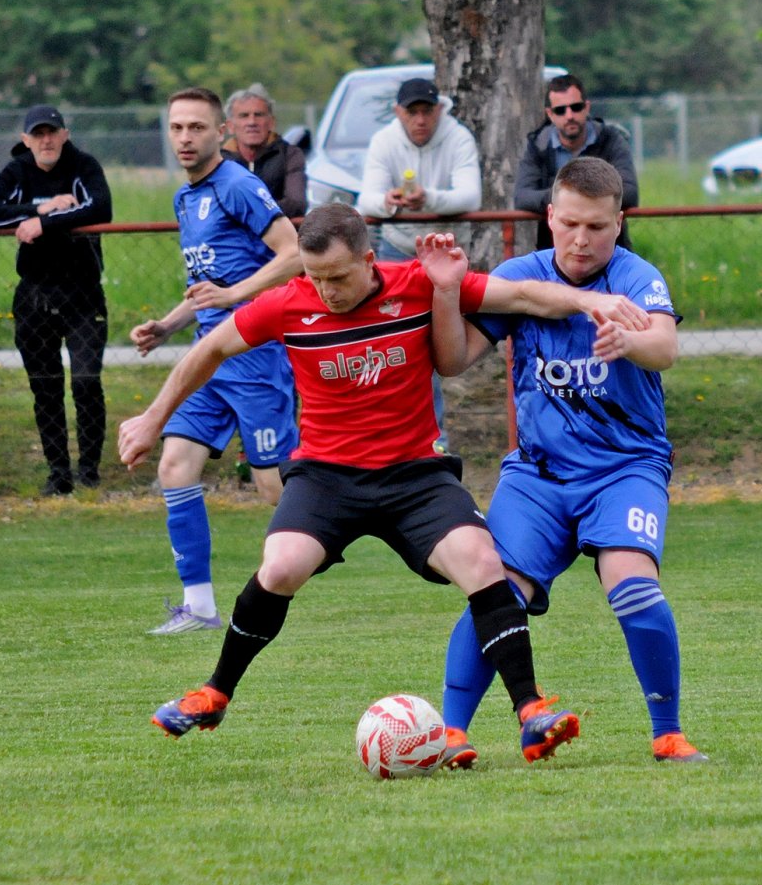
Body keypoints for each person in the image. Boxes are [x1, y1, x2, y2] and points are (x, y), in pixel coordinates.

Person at [120, 203, 654, 762]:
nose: (326, 291)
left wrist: (590, 301)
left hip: (414, 475)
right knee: (279, 567)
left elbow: (521, 296)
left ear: (369, 259)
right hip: (326, 477)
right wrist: (154, 418)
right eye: (315, 277)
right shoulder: (286, 304)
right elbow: (210, 349)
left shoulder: (417, 284)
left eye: (338, 276)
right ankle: (214, 694)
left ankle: (531, 710)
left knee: (482, 563)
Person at [435, 157, 705, 767]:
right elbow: (451, 361)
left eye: (598, 227)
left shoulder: (635, 276)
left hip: (625, 467)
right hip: (540, 474)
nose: (582, 240)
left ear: (619, 223)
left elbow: (665, 346)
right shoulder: (519, 278)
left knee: (631, 582)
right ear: (550, 216)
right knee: (496, 589)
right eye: (571, 224)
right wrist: (447, 293)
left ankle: (667, 734)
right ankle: (450, 735)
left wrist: (629, 340)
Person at [129, 87, 303, 636]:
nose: (185, 138)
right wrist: (167, 324)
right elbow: (207, 284)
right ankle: (200, 607)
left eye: (197, 127)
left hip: (255, 357)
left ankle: (371, 513)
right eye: (177, 127)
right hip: (209, 359)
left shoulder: (237, 185)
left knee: (273, 488)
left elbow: (294, 253)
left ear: (220, 132)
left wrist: (235, 296)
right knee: (174, 466)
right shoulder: (186, 197)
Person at [0, 105, 112, 496]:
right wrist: (39, 208)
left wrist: (43, 224)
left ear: (65, 134)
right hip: (34, 295)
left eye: (53, 132)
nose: (46, 140)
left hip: (83, 294)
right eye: (38, 134)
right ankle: (58, 473)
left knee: (85, 382)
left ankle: (89, 470)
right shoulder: (16, 171)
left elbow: (101, 207)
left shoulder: (83, 166)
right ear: (26, 140)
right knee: (45, 387)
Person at [356, 77, 481, 451]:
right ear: (399, 113)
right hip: (397, 254)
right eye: (413, 112)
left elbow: (471, 197)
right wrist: (389, 202)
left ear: (439, 110)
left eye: (427, 111)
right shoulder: (384, 141)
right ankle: (393, 436)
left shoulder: (458, 137)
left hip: (444, 257)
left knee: (431, 345)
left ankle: (434, 439)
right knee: (397, 345)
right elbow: (366, 200)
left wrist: (429, 200)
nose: (421, 119)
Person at [514, 73, 640, 251]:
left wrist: (568, 198)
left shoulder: (610, 139)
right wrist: (570, 196)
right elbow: (522, 197)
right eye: (560, 110)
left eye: (576, 107)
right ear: (550, 114)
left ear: (586, 107)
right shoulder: (538, 145)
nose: (569, 115)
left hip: (609, 251)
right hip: (555, 251)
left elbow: (630, 193)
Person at [221, 82, 308, 219]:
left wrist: (245, 212)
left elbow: (296, 204)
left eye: (259, 115)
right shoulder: (218, 161)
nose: (252, 122)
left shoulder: (290, 155)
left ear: (272, 122)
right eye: (244, 116)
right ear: (230, 126)